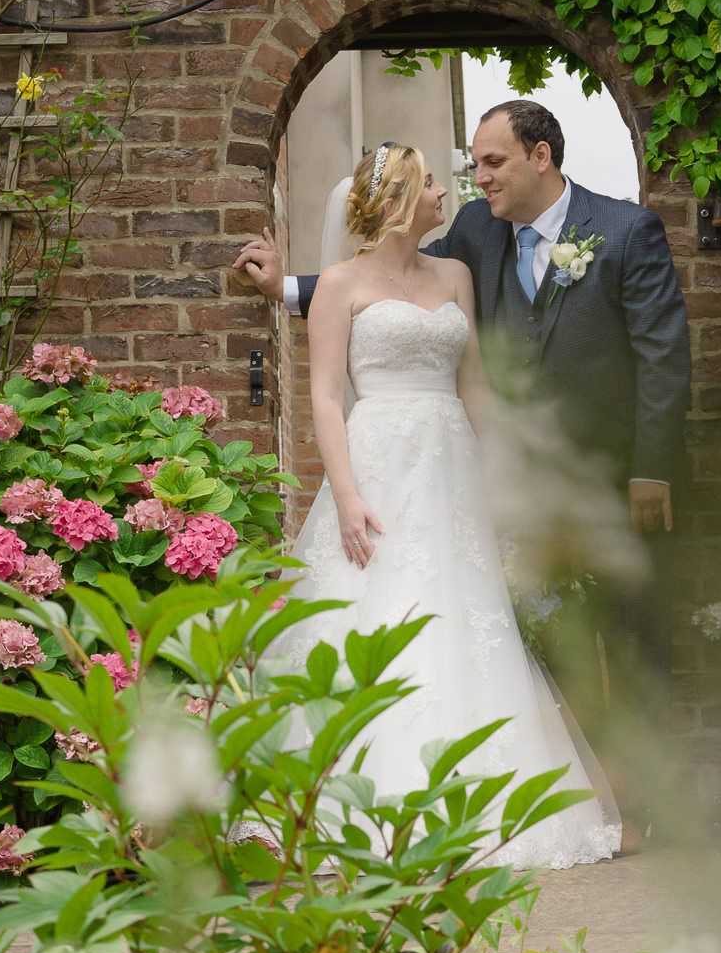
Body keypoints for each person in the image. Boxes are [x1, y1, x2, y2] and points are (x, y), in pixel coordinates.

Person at [233, 102, 692, 783]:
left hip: (590, 467)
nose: (470, 181)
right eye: (460, 168)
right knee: (497, 622)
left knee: (621, 631)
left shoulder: (624, 231)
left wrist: (647, 469)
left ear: (540, 156)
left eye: (489, 162)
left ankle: (644, 800)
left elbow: (662, 355)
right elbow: (376, 282)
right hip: (397, 461)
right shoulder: (477, 230)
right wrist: (283, 287)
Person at [257, 139, 622, 871]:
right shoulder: (338, 284)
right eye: (429, 184)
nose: (444, 194)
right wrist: (350, 496)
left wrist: (500, 475)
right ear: (395, 197)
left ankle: (481, 799)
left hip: (449, 459)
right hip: (377, 461)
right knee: (374, 605)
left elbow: (474, 385)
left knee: (462, 608)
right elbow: (326, 397)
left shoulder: (455, 271)